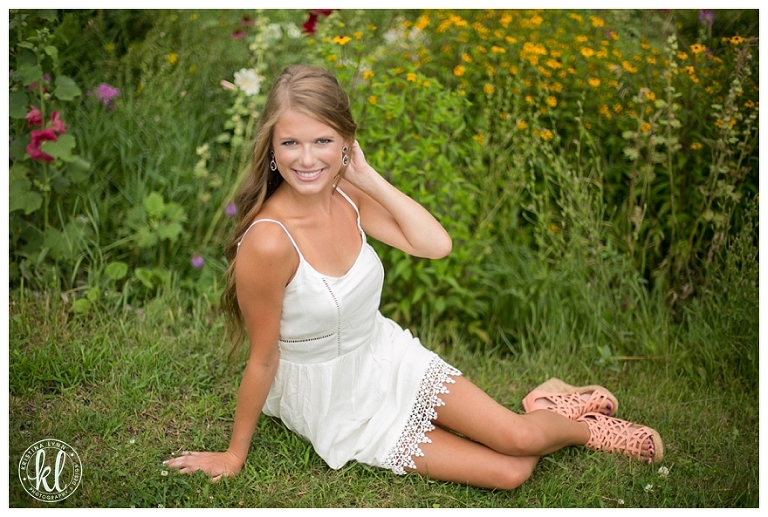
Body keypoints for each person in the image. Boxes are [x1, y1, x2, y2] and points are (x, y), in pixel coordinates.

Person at [165, 64, 663, 490]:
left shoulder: (347, 196)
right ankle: (555, 406)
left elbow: (435, 244)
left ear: (346, 142)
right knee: (511, 472)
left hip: (385, 356)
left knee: (522, 437)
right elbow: (263, 356)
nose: (308, 158)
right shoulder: (269, 241)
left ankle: (577, 421)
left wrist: (364, 176)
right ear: (272, 149)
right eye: (291, 143)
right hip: (333, 398)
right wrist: (234, 455)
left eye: (323, 141)